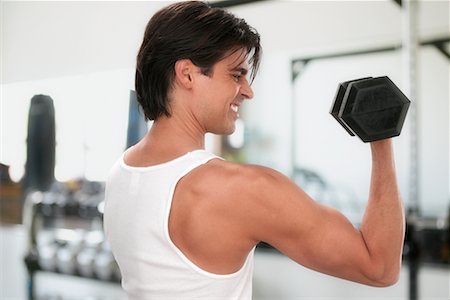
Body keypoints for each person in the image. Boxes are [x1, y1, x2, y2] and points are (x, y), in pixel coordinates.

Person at [103, 1, 405, 299]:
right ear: (187, 74)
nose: (248, 91)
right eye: (236, 75)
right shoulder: (242, 190)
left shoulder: (121, 174)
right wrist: (381, 138)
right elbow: (379, 266)